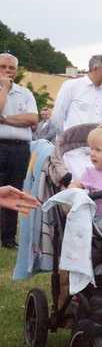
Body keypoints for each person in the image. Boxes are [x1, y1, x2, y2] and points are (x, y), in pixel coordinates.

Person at [0, 53, 39, 249]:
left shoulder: (25, 93)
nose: (7, 71)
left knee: (14, 191)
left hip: (19, 148)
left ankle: (8, 238)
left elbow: (33, 119)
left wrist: (5, 119)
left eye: (11, 68)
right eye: (3, 67)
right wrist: (4, 89)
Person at [50, 55, 102, 132]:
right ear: (95, 69)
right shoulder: (71, 86)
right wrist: (63, 138)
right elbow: (57, 116)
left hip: (96, 142)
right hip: (72, 141)